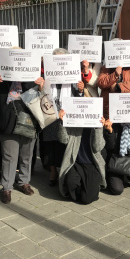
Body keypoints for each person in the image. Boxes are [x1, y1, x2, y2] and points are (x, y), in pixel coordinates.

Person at [0, 69, 44, 204]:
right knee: (9, 157)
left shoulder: (31, 80)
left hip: (29, 123)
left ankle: (23, 182)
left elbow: (40, 102)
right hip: (8, 123)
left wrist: (41, 88)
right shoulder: (2, 80)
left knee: (27, 155)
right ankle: (7, 187)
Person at [43, 48, 86, 187]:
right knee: (50, 144)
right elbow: (42, 95)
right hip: (51, 114)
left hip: (66, 116)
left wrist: (80, 90)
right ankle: (53, 171)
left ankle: (65, 169)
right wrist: (42, 86)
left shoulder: (73, 77)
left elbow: (78, 99)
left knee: (63, 143)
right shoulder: (48, 77)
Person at [57, 110, 107, 204]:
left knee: (86, 199)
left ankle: (91, 187)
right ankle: (87, 187)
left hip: (92, 164)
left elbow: (98, 147)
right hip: (75, 162)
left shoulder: (95, 123)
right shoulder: (74, 123)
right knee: (71, 184)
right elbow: (63, 140)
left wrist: (99, 128)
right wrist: (62, 122)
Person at [97, 40, 130, 119]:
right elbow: (100, 83)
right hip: (108, 109)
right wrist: (114, 75)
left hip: (124, 108)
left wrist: (118, 87)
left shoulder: (129, 69)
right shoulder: (106, 68)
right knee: (109, 130)